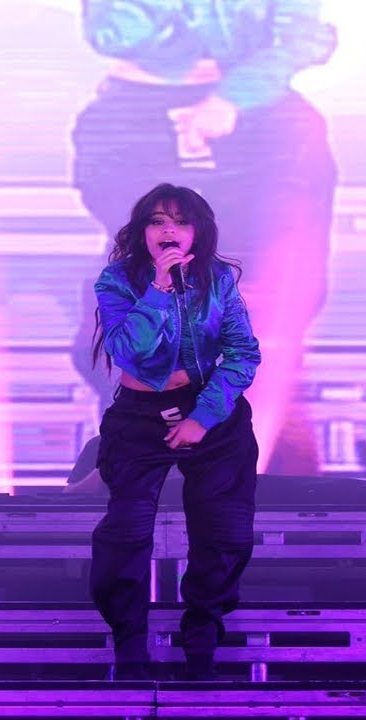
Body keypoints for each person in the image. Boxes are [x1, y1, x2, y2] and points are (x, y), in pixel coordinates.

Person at [70, 0, 336, 475]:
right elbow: (113, 32)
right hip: (137, 113)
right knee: (140, 284)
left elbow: (303, 37)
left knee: (275, 286)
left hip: (260, 109)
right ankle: (146, 448)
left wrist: (232, 97)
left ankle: (264, 460)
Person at [88, 183, 260, 681]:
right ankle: (130, 644)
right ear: (142, 232)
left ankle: (202, 639)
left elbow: (243, 354)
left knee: (225, 531)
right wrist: (159, 289)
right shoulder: (118, 281)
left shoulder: (219, 281)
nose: (168, 231)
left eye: (180, 222)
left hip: (211, 408)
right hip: (140, 415)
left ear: (197, 233)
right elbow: (130, 351)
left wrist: (202, 419)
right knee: (126, 532)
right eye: (157, 221)